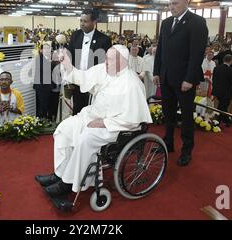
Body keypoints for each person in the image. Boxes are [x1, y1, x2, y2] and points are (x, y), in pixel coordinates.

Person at [35, 45, 151, 202]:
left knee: (85, 139)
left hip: (116, 127)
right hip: (92, 116)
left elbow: (132, 119)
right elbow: (82, 77)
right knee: (65, 128)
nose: (105, 62)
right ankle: (60, 173)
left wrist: (104, 122)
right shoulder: (103, 69)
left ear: (121, 61)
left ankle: (68, 184)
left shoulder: (132, 83)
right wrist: (68, 65)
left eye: (109, 59)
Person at [153, 0, 208, 167]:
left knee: (186, 116)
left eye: (175, 3)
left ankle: (187, 149)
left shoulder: (197, 22)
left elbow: (197, 53)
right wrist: (156, 72)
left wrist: (189, 79)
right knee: (168, 114)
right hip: (167, 76)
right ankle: (168, 142)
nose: (171, 7)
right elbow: (160, 49)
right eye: (169, 4)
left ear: (186, 2)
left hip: (185, 79)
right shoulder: (167, 22)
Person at [67, 8, 112, 115]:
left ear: (94, 22)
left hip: (95, 82)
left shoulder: (104, 40)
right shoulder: (76, 35)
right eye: (81, 21)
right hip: (79, 80)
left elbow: (107, 62)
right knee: (78, 110)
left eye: (85, 21)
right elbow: (70, 53)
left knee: (94, 111)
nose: (82, 24)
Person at [33, 42, 59, 121]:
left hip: (48, 86)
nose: (48, 50)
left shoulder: (48, 59)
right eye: (45, 48)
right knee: (42, 105)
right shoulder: (39, 59)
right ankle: (42, 121)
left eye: (49, 48)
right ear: (41, 50)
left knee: (48, 104)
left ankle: (48, 118)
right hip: (42, 87)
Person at [212, 54, 232, 127]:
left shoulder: (216, 68)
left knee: (222, 106)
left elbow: (214, 80)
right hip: (226, 92)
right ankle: (218, 121)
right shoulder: (230, 70)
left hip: (217, 91)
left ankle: (226, 120)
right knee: (222, 107)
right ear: (231, 61)